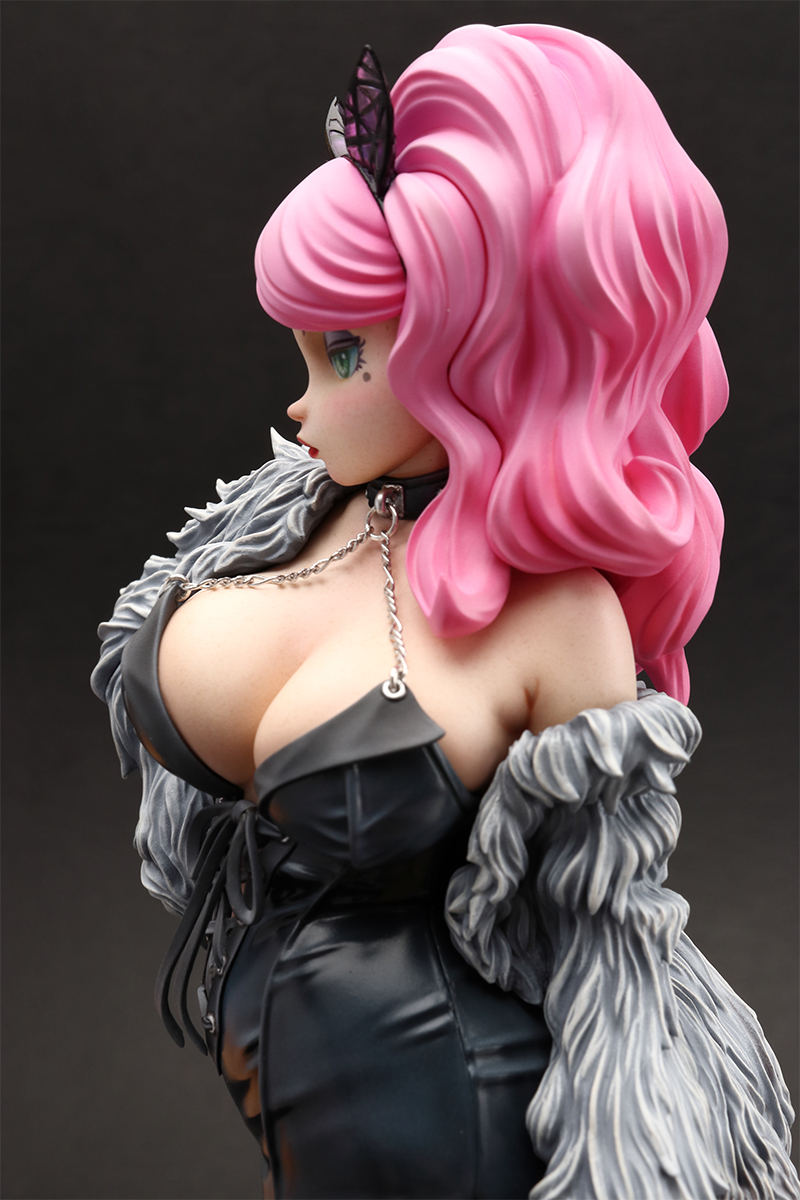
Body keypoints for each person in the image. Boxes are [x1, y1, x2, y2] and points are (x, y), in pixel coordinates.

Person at [92, 24, 798, 1200]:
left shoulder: (558, 617)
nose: (302, 402)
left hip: (449, 1124)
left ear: (474, 345)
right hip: (301, 1113)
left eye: (343, 355)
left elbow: (606, 942)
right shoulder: (291, 518)